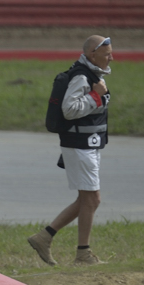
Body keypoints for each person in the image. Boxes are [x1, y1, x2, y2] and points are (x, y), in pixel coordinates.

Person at [28, 36, 114, 266]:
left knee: (88, 200)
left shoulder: (92, 75)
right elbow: (69, 109)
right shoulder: (81, 77)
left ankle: (44, 237)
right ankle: (82, 254)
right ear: (91, 55)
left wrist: (97, 95)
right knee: (92, 198)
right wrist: (95, 96)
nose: (111, 58)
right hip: (80, 145)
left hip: (88, 144)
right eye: (106, 54)